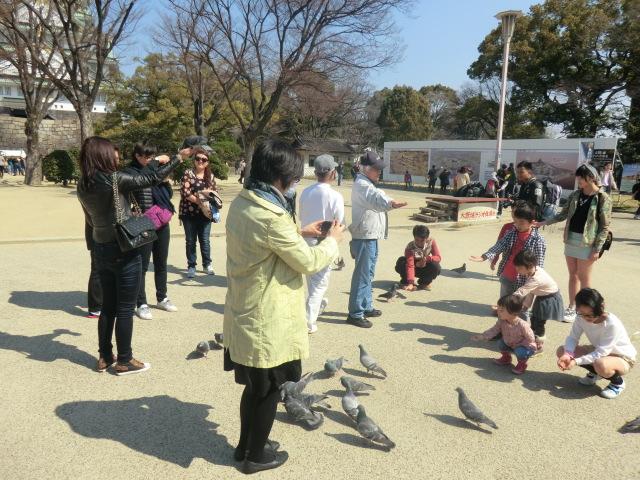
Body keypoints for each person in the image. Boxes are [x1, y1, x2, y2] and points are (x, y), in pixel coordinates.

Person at [223, 138, 343, 474]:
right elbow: (308, 261)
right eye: (293, 175)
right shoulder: (272, 215)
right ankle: (255, 457)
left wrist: (299, 231)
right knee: (269, 391)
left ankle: (246, 446)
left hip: (247, 307)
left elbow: (263, 240)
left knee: (254, 388)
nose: (295, 180)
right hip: (267, 316)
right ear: (280, 175)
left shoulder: (245, 201)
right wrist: (332, 242)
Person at [77, 136, 184, 375]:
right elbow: (151, 178)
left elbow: (89, 220)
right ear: (103, 156)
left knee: (108, 307)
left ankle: (105, 356)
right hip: (124, 247)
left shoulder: (83, 185)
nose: (115, 157)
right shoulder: (114, 179)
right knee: (125, 308)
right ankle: (125, 360)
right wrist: (179, 157)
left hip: (101, 247)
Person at [539, 164, 611, 323]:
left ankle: (587, 310)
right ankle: (572, 307)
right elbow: (562, 215)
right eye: (577, 177)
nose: (578, 180)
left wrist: (597, 248)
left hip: (588, 242)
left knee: (584, 278)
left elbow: (604, 226)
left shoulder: (602, 197)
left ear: (591, 177)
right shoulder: (575, 195)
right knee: (573, 275)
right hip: (571, 239)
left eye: (581, 178)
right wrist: (543, 222)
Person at [347, 150, 407, 328]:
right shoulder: (362, 185)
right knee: (363, 275)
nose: (379, 172)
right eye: (376, 169)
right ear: (365, 169)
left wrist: (389, 201)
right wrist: (390, 203)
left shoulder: (367, 183)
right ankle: (355, 313)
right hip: (365, 236)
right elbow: (375, 198)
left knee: (368, 274)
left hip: (370, 235)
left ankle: (366, 306)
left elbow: (379, 194)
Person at [125, 142, 178, 320]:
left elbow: (168, 195)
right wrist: (156, 163)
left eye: (151, 157)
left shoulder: (157, 172)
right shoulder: (131, 172)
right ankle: (141, 303)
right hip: (143, 222)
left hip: (161, 221)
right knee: (142, 265)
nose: (149, 160)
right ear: (137, 156)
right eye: (146, 157)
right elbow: (142, 179)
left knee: (161, 262)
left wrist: (165, 181)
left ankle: (162, 297)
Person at [556, 288, 636, 399]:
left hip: (623, 357)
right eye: (582, 314)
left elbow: (601, 352)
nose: (587, 318)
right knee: (562, 350)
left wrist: (576, 361)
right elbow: (573, 338)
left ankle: (617, 383)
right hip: (599, 351)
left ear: (602, 306)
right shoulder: (580, 318)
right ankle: (595, 373)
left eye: (591, 314)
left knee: (600, 364)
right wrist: (568, 354)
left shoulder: (612, 324)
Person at [299, 154, 345, 334]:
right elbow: (339, 222)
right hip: (324, 242)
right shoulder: (335, 195)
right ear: (333, 172)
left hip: (306, 239)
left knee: (313, 282)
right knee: (319, 285)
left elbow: (302, 217)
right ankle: (308, 322)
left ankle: (317, 306)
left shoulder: (306, 192)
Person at [470, 201, 546, 299]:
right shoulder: (511, 233)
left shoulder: (538, 240)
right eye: (516, 221)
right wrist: (484, 256)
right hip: (507, 274)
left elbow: (539, 263)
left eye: (521, 222)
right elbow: (500, 245)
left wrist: (534, 281)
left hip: (524, 279)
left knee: (520, 304)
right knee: (505, 300)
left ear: (532, 222)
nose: (517, 225)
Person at [512, 250, 564, 352]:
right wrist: (526, 306)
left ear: (530, 266)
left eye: (519, 268)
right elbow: (531, 291)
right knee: (534, 319)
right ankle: (532, 340)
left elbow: (522, 291)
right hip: (542, 297)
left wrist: (508, 301)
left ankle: (538, 346)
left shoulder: (536, 278)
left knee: (539, 323)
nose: (517, 270)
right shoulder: (533, 271)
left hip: (549, 300)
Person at [472, 294, 536, 375]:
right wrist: (483, 336)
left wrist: (532, 346)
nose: (498, 312)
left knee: (520, 352)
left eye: (501, 310)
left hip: (523, 346)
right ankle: (506, 358)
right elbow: (494, 330)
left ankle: (522, 364)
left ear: (513, 312)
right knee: (500, 343)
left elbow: (531, 338)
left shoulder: (523, 325)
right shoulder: (502, 321)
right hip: (509, 343)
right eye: (498, 309)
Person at [179, 148, 217, 278]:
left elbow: (214, 193)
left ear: (207, 162)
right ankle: (191, 266)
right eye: (198, 158)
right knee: (190, 241)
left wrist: (210, 204)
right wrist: (200, 203)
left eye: (204, 159)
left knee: (205, 240)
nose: (200, 161)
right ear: (194, 160)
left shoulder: (210, 176)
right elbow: (185, 192)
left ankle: (207, 264)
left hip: (205, 214)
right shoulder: (188, 173)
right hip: (189, 213)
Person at [395, 225, 441, 291]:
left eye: (422, 240)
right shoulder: (410, 247)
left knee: (436, 266)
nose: (419, 243)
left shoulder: (431, 242)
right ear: (414, 237)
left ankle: (424, 283)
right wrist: (411, 283)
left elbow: (438, 257)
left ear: (427, 238)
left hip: (424, 266)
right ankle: (406, 282)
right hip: (413, 266)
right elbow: (410, 265)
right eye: (417, 240)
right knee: (401, 262)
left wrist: (427, 259)